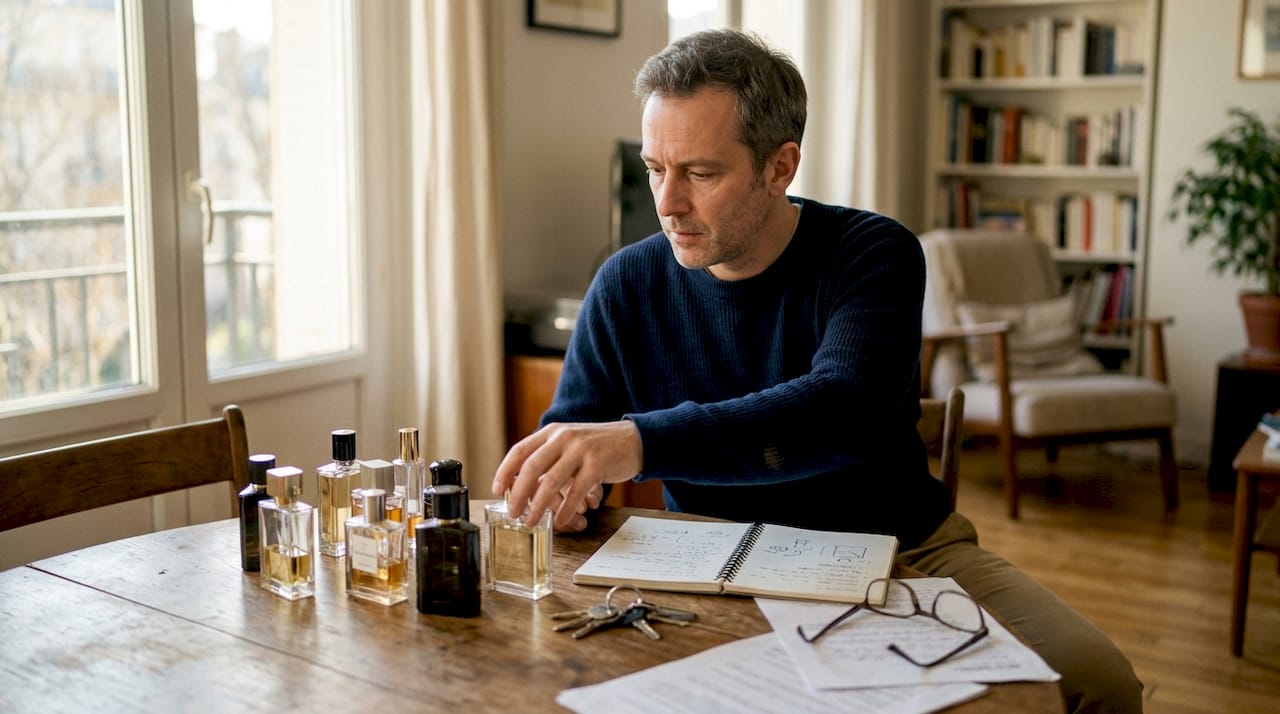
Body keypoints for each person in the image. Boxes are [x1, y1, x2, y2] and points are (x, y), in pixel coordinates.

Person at [492, 29, 1142, 714]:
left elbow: (844, 409)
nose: (667, 203)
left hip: (901, 554)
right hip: (710, 565)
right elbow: (571, 441)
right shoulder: (625, 283)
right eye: (656, 169)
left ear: (780, 167)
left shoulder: (873, 254)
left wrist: (640, 442)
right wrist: (566, 491)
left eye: (700, 174)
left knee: (1099, 684)